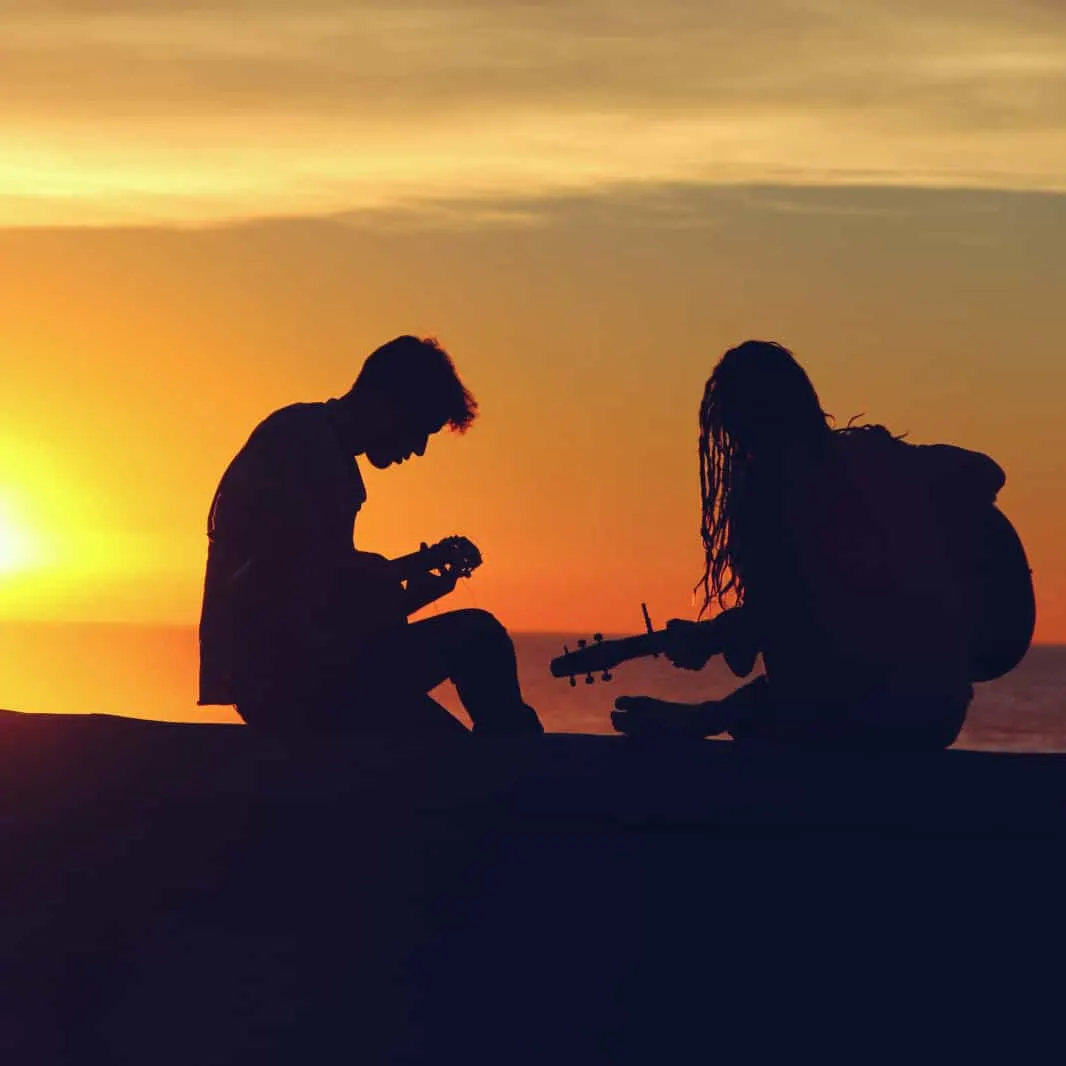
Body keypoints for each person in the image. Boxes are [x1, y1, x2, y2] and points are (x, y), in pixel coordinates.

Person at [612, 340, 1015, 750]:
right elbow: (802, 621)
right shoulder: (871, 459)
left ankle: (699, 720)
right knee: (767, 712)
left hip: (878, 709)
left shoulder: (801, 491)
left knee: (768, 715)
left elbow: (814, 614)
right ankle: (704, 718)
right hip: (937, 708)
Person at [198, 334, 543, 738]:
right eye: (419, 430)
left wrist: (410, 593)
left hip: (300, 676)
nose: (418, 449)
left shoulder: (315, 444)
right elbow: (296, 582)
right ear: (389, 404)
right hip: (291, 685)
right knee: (479, 635)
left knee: (455, 746)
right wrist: (398, 574)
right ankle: (524, 768)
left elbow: (328, 599)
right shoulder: (302, 445)